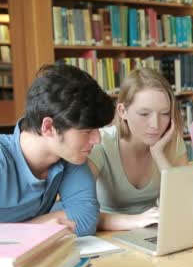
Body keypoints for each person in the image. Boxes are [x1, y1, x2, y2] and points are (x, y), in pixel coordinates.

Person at [0, 64, 115, 236]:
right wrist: (36, 229)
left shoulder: (68, 156)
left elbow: (86, 219)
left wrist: (23, 232)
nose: (97, 139)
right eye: (87, 131)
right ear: (48, 127)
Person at [88, 68, 188, 231]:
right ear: (122, 111)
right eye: (144, 114)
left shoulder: (171, 143)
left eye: (164, 113)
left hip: (153, 231)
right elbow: (84, 215)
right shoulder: (100, 144)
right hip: (107, 236)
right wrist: (136, 221)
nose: (156, 125)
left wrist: (158, 155)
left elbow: (185, 204)